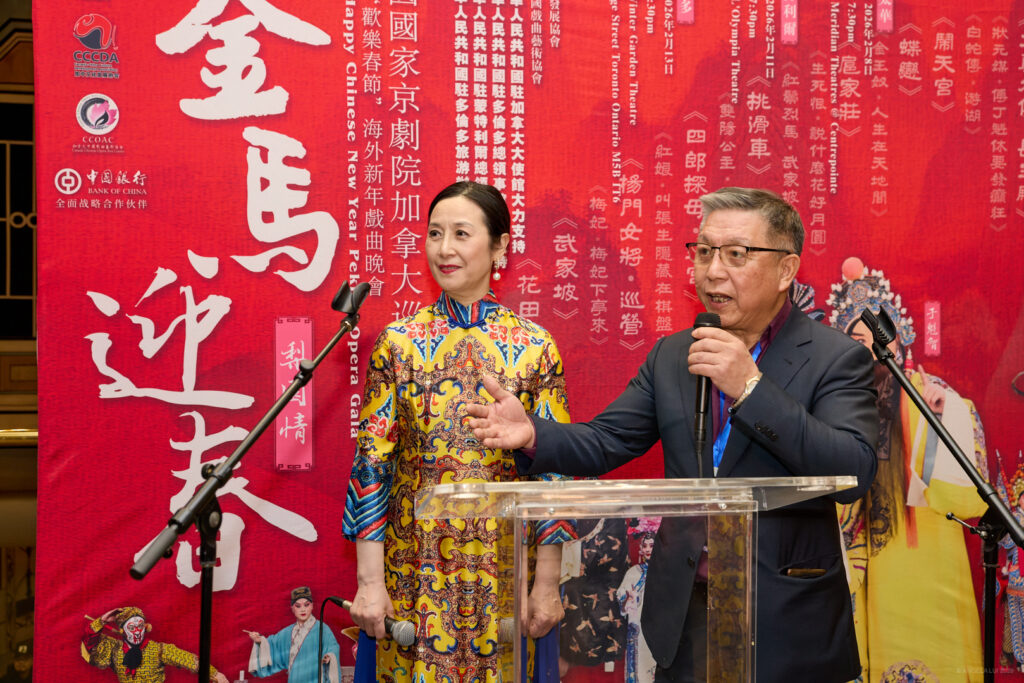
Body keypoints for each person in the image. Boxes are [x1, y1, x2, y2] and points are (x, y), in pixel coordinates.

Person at [468, 187, 879, 683]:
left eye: (736, 254)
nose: (713, 271)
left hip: (786, 620)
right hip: (685, 617)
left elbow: (852, 471)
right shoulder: (673, 356)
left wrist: (751, 389)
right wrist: (533, 434)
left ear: (786, 270)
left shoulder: (835, 357)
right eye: (704, 252)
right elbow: (606, 441)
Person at [342, 181, 575, 682]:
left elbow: (553, 478)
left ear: (499, 246)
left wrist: (547, 583)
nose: (444, 248)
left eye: (461, 234)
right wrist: (370, 582)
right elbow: (371, 467)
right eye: (434, 233)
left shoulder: (535, 347)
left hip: (504, 571)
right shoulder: (398, 344)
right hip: (413, 567)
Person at [828, 257, 987, 682]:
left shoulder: (934, 397)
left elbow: (970, 500)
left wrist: (945, 415)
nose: (869, 349)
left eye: (877, 336)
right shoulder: (838, 409)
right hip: (867, 565)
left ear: (898, 339)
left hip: (929, 562)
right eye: (855, 340)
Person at [81, 606, 229, 683]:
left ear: (146, 627)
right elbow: (90, 642)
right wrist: (102, 621)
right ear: (123, 630)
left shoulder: (158, 649)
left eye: (140, 626)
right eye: (131, 627)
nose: (137, 631)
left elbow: (189, 660)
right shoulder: (114, 649)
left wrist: (215, 674)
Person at [245, 586, 341, 682]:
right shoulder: (287, 632)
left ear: (312, 606)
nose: (303, 609)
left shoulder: (322, 629)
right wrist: (260, 641)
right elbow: (273, 645)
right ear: (292, 608)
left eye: (306, 605)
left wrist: (329, 657)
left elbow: (333, 647)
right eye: (298, 606)